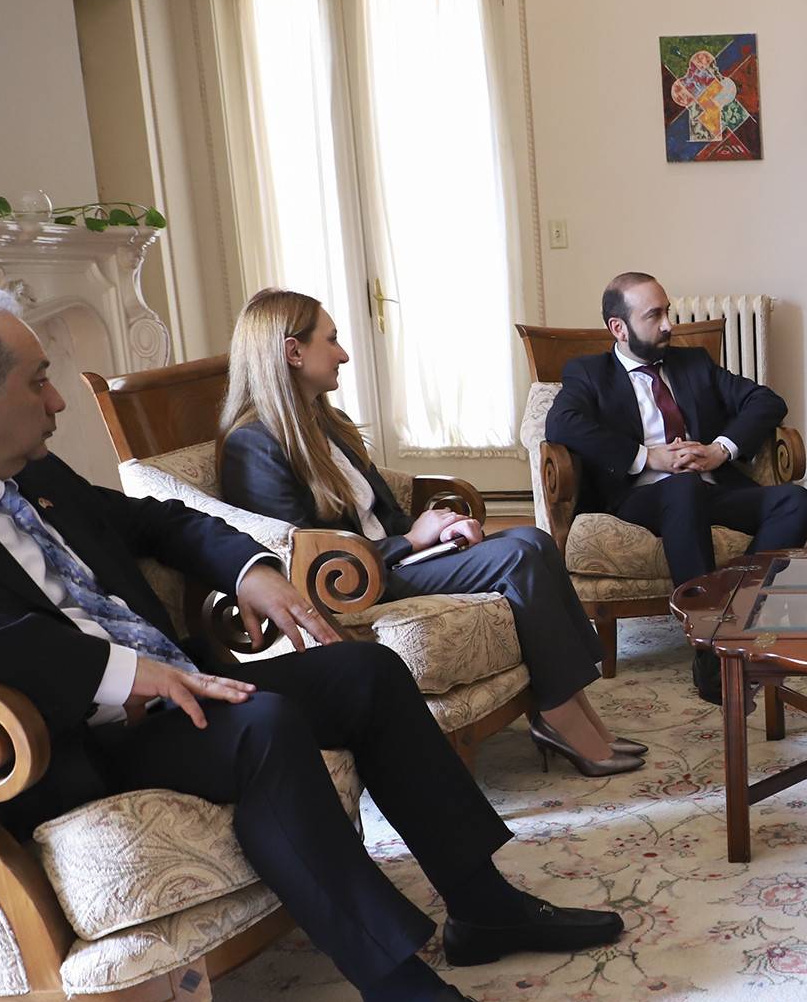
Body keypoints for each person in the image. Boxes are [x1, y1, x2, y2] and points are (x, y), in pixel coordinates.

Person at [0, 284, 629, 1002]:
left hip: (180, 691)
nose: (55, 401)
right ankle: (399, 997)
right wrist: (115, 672)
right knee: (266, 728)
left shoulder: (30, 474)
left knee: (367, 671)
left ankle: (481, 906)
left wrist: (252, 570)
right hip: (71, 741)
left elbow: (158, 519)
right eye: (38, 380)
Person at [218, 289, 642, 777]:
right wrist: (411, 542)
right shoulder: (253, 447)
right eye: (331, 340)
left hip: (391, 561)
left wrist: (441, 531)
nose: (344, 353)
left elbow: (382, 512)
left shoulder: (324, 423)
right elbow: (307, 555)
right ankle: (559, 715)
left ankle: (574, 708)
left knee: (534, 540)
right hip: (354, 584)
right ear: (293, 352)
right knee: (520, 557)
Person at [545, 271, 807, 702]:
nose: (669, 324)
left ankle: (736, 617)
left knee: (796, 500)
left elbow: (767, 400)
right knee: (682, 488)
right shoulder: (589, 373)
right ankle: (709, 652)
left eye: (667, 311)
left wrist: (719, 450)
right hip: (641, 496)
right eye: (654, 315)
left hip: (712, 489)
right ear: (619, 328)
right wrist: (645, 456)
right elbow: (562, 423)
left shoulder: (692, 363)